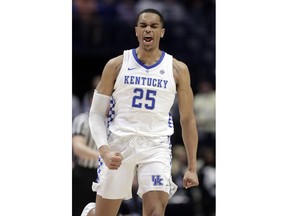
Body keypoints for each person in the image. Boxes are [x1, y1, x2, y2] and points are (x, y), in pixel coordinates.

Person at [82, 8, 199, 216]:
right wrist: (104, 151)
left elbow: (188, 120)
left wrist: (191, 166)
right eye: (143, 25)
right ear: (136, 31)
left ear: (162, 32)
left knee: (155, 211)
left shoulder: (178, 69)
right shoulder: (116, 65)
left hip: (156, 146)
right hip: (120, 143)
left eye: (154, 26)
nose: (148, 30)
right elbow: (96, 114)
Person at [72, 90, 99, 216]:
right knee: (79, 210)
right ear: (91, 101)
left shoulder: (112, 123)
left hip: (103, 176)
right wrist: (103, 156)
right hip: (83, 174)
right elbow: (78, 147)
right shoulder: (82, 119)